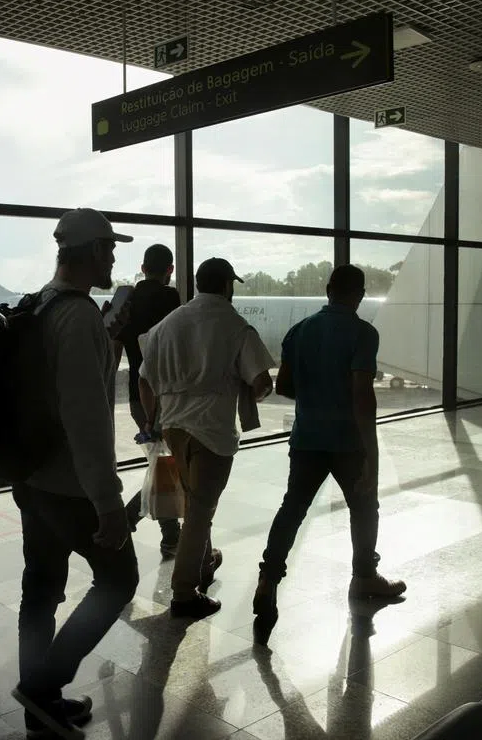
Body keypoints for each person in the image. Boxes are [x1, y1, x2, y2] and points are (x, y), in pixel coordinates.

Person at [11, 208, 140, 740]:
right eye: (108, 249)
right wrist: (108, 505)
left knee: (40, 589)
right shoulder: (78, 315)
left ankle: (39, 707)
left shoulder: (40, 305)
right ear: (89, 252)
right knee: (117, 581)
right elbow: (86, 420)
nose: (113, 257)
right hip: (70, 487)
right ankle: (43, 686)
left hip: (31, 478)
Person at [253, 265, 406, 630]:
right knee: (364, 507)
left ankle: (268, 578)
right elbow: (362, 397)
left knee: (292, 508)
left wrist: (316, 389)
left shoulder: (299, 331)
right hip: (347, 442)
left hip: (306, 437)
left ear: (327, 290)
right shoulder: (363, 334)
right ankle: (364, 577)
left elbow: (285, 387)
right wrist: (373, 454)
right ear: (360, 294)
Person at [138, 258, 275, 619]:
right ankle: (184, 593)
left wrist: (152, 419)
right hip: (212, 430)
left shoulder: (168, 325)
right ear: (228, 285)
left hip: (173, 427)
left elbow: (144, 378)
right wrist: (251, 392)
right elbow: (262, 383)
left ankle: (202, 563)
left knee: (196, 503)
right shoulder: (235, 325)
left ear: (198, 283)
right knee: (200, 510)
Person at [113, 244, 184, 557]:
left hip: (136, 393)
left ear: (142, 268)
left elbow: (115, 346)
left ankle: (170, 536)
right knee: (164, 465)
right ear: (169, 270)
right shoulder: (171, 298)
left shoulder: (126, 299)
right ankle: (127, 520)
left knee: (160, 464)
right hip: (166, 393)